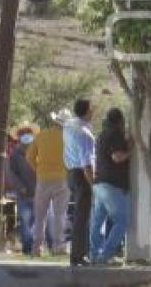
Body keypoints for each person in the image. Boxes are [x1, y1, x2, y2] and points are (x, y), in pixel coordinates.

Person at [89, 107, 131, 265]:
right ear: (120, 121)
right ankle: (105, 255)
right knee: (123, 220)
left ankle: (94, 254)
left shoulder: (101, 135)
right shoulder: (116, 134)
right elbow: (117, 157)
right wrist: (132, 150)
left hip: (99, 183)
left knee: (97, 221)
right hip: (113, 185)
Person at [27, 111, 69, 256]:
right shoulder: (68, 138)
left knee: (40, 216)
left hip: (43, 179)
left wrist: (38, 169)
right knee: (59, 215)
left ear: (54, 122)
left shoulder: (42, 135)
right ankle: (58, 246)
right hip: (62, 179)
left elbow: (29, 156)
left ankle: (36, 248)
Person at [63, 99, 95, 266]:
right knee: (82, 217)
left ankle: (78, 254)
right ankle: (79, 256)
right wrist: (93, 184)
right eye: (92, 109)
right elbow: (87, 164)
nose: (94, 112)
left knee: (80, 216)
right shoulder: (84, 133)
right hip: (82, 175)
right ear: (88, 111)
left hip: (70, 174)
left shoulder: (68, 126)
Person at [8, 121, 39, 255]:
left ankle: (35, 247)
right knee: (25, 222)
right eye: (23, 133)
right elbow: (12, 174)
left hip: (40, 193)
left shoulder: (39, 150)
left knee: (37, 223)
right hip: (24, 195)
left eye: (29, 132)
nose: (26, 135)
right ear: (19, 136)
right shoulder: (15, 154)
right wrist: (21, 188)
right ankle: (27, 248)